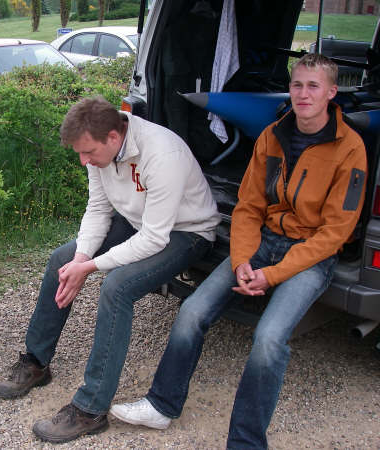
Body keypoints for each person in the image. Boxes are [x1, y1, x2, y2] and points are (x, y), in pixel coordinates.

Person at [110, 54, 367, 449]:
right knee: (193, 310)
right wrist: (246, 260)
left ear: (332, 92)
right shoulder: (272, 135)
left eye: (313, 86)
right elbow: (248, 208)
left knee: (268, 338)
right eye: (297, 85)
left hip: (311, 255)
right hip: (264, 243)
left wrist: (273, 275)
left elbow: (335, 232)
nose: (303, 94)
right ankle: (161, 405)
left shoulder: (350, 148)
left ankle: (245, 442)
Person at [0, 96, 221, 443]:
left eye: (88, 153)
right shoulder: (98, 151)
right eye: (81, 155)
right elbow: (99, 209)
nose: (84, 161)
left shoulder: (162, 154)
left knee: (117, 287)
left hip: (184, 231)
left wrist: (91, 267)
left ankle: (91, 409)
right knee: (61, 259)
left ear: (114, 137)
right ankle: (36, 362)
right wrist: (80, 257)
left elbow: (154, 239)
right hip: (137, 222)